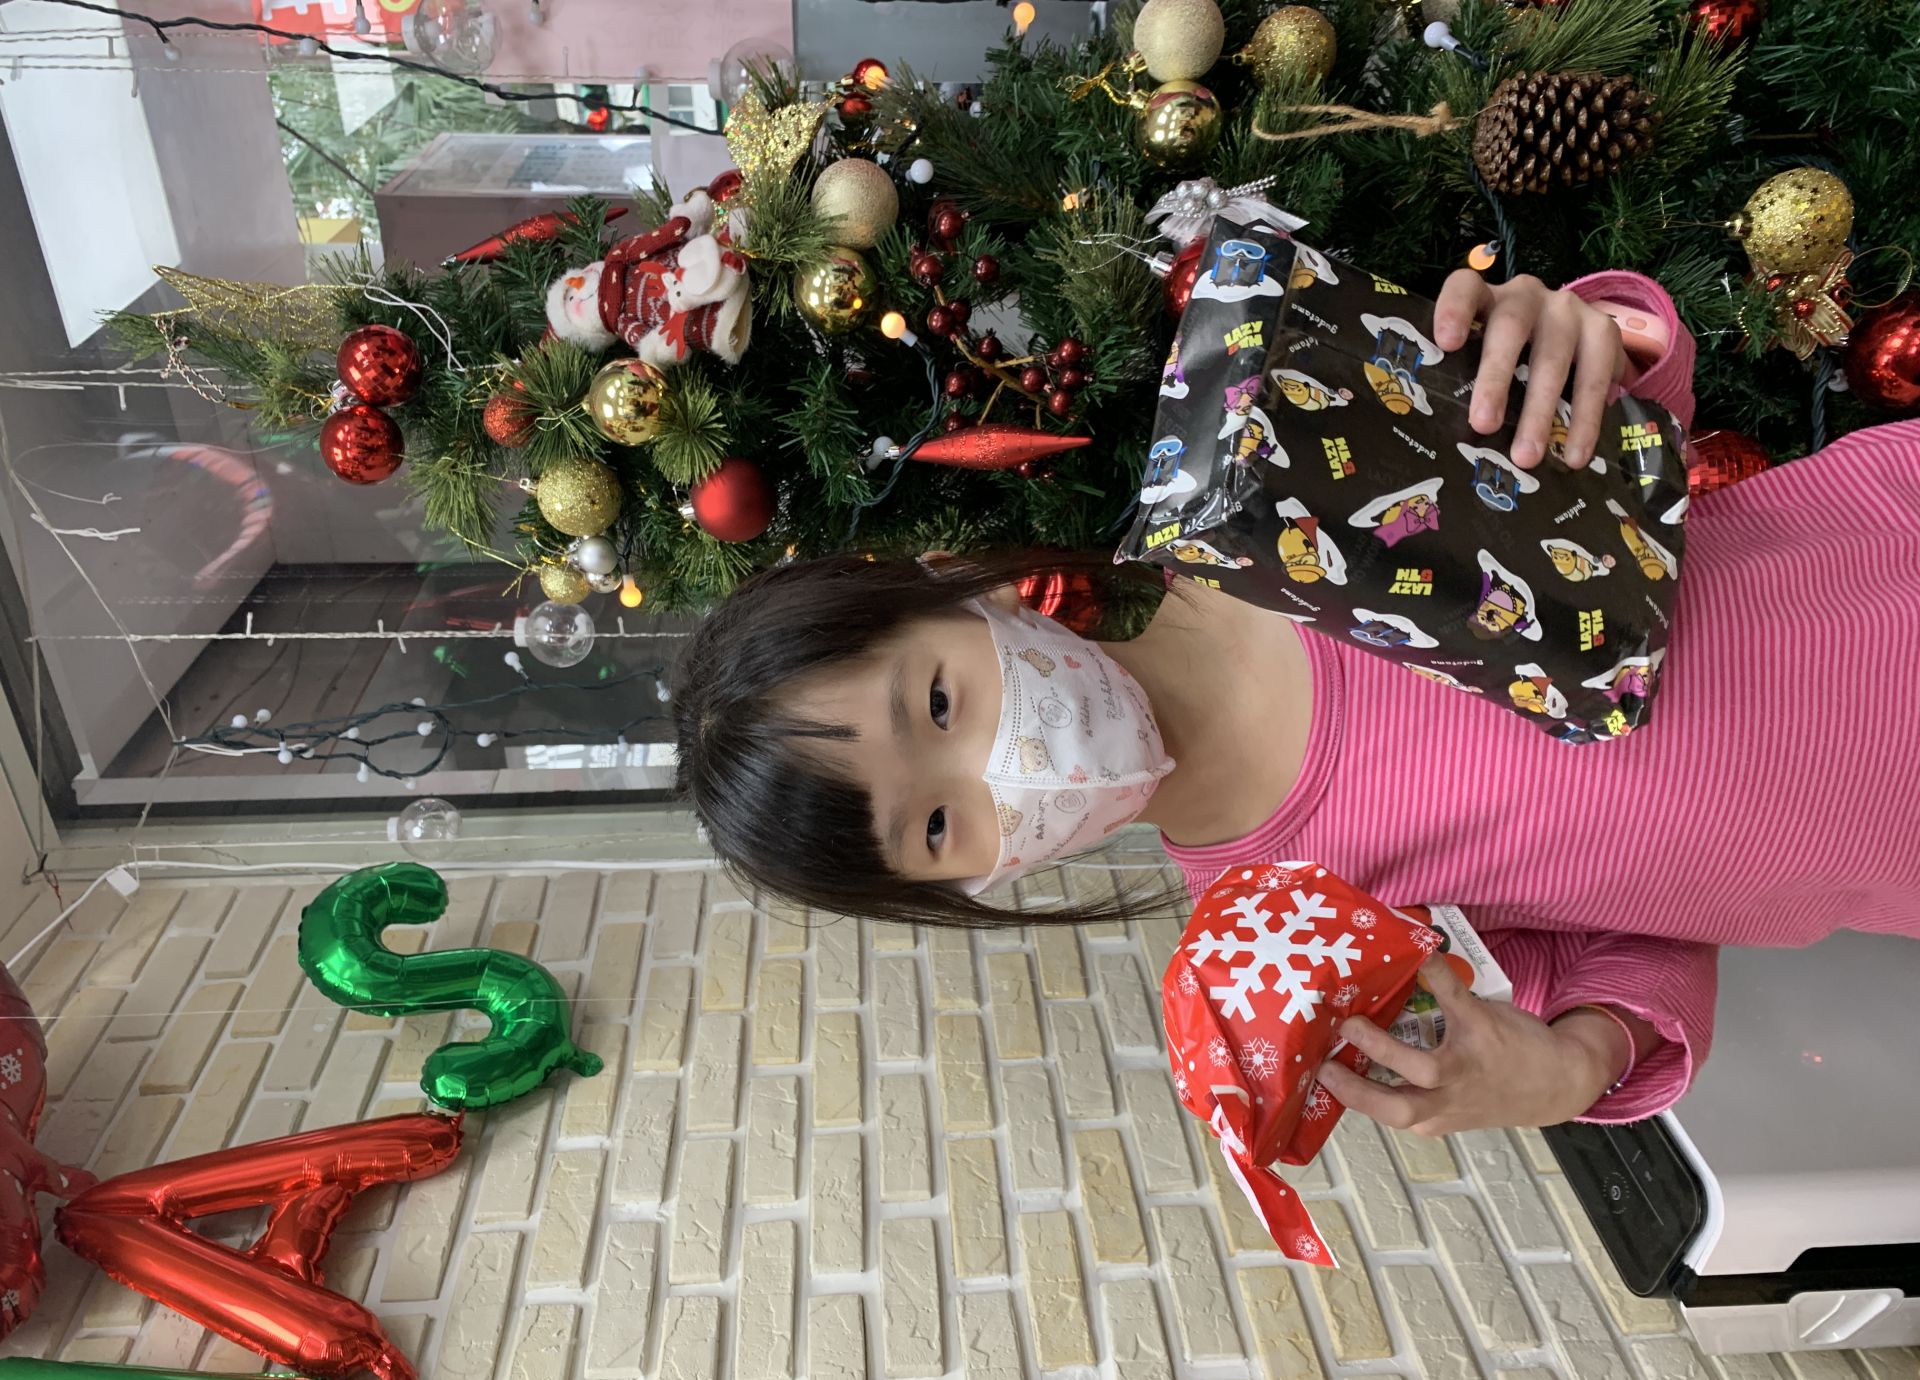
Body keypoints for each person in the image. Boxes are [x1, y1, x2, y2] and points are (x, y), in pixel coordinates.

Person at [672, 267, 1920, 1137]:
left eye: (940, 703)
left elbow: (1623, 451)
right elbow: (1634, 944)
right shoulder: (1279, 928)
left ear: (960, 587)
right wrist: (1571, 1063)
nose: (1005, 770)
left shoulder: (1273, 473)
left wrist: (1581, 337)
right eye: (941, 827)